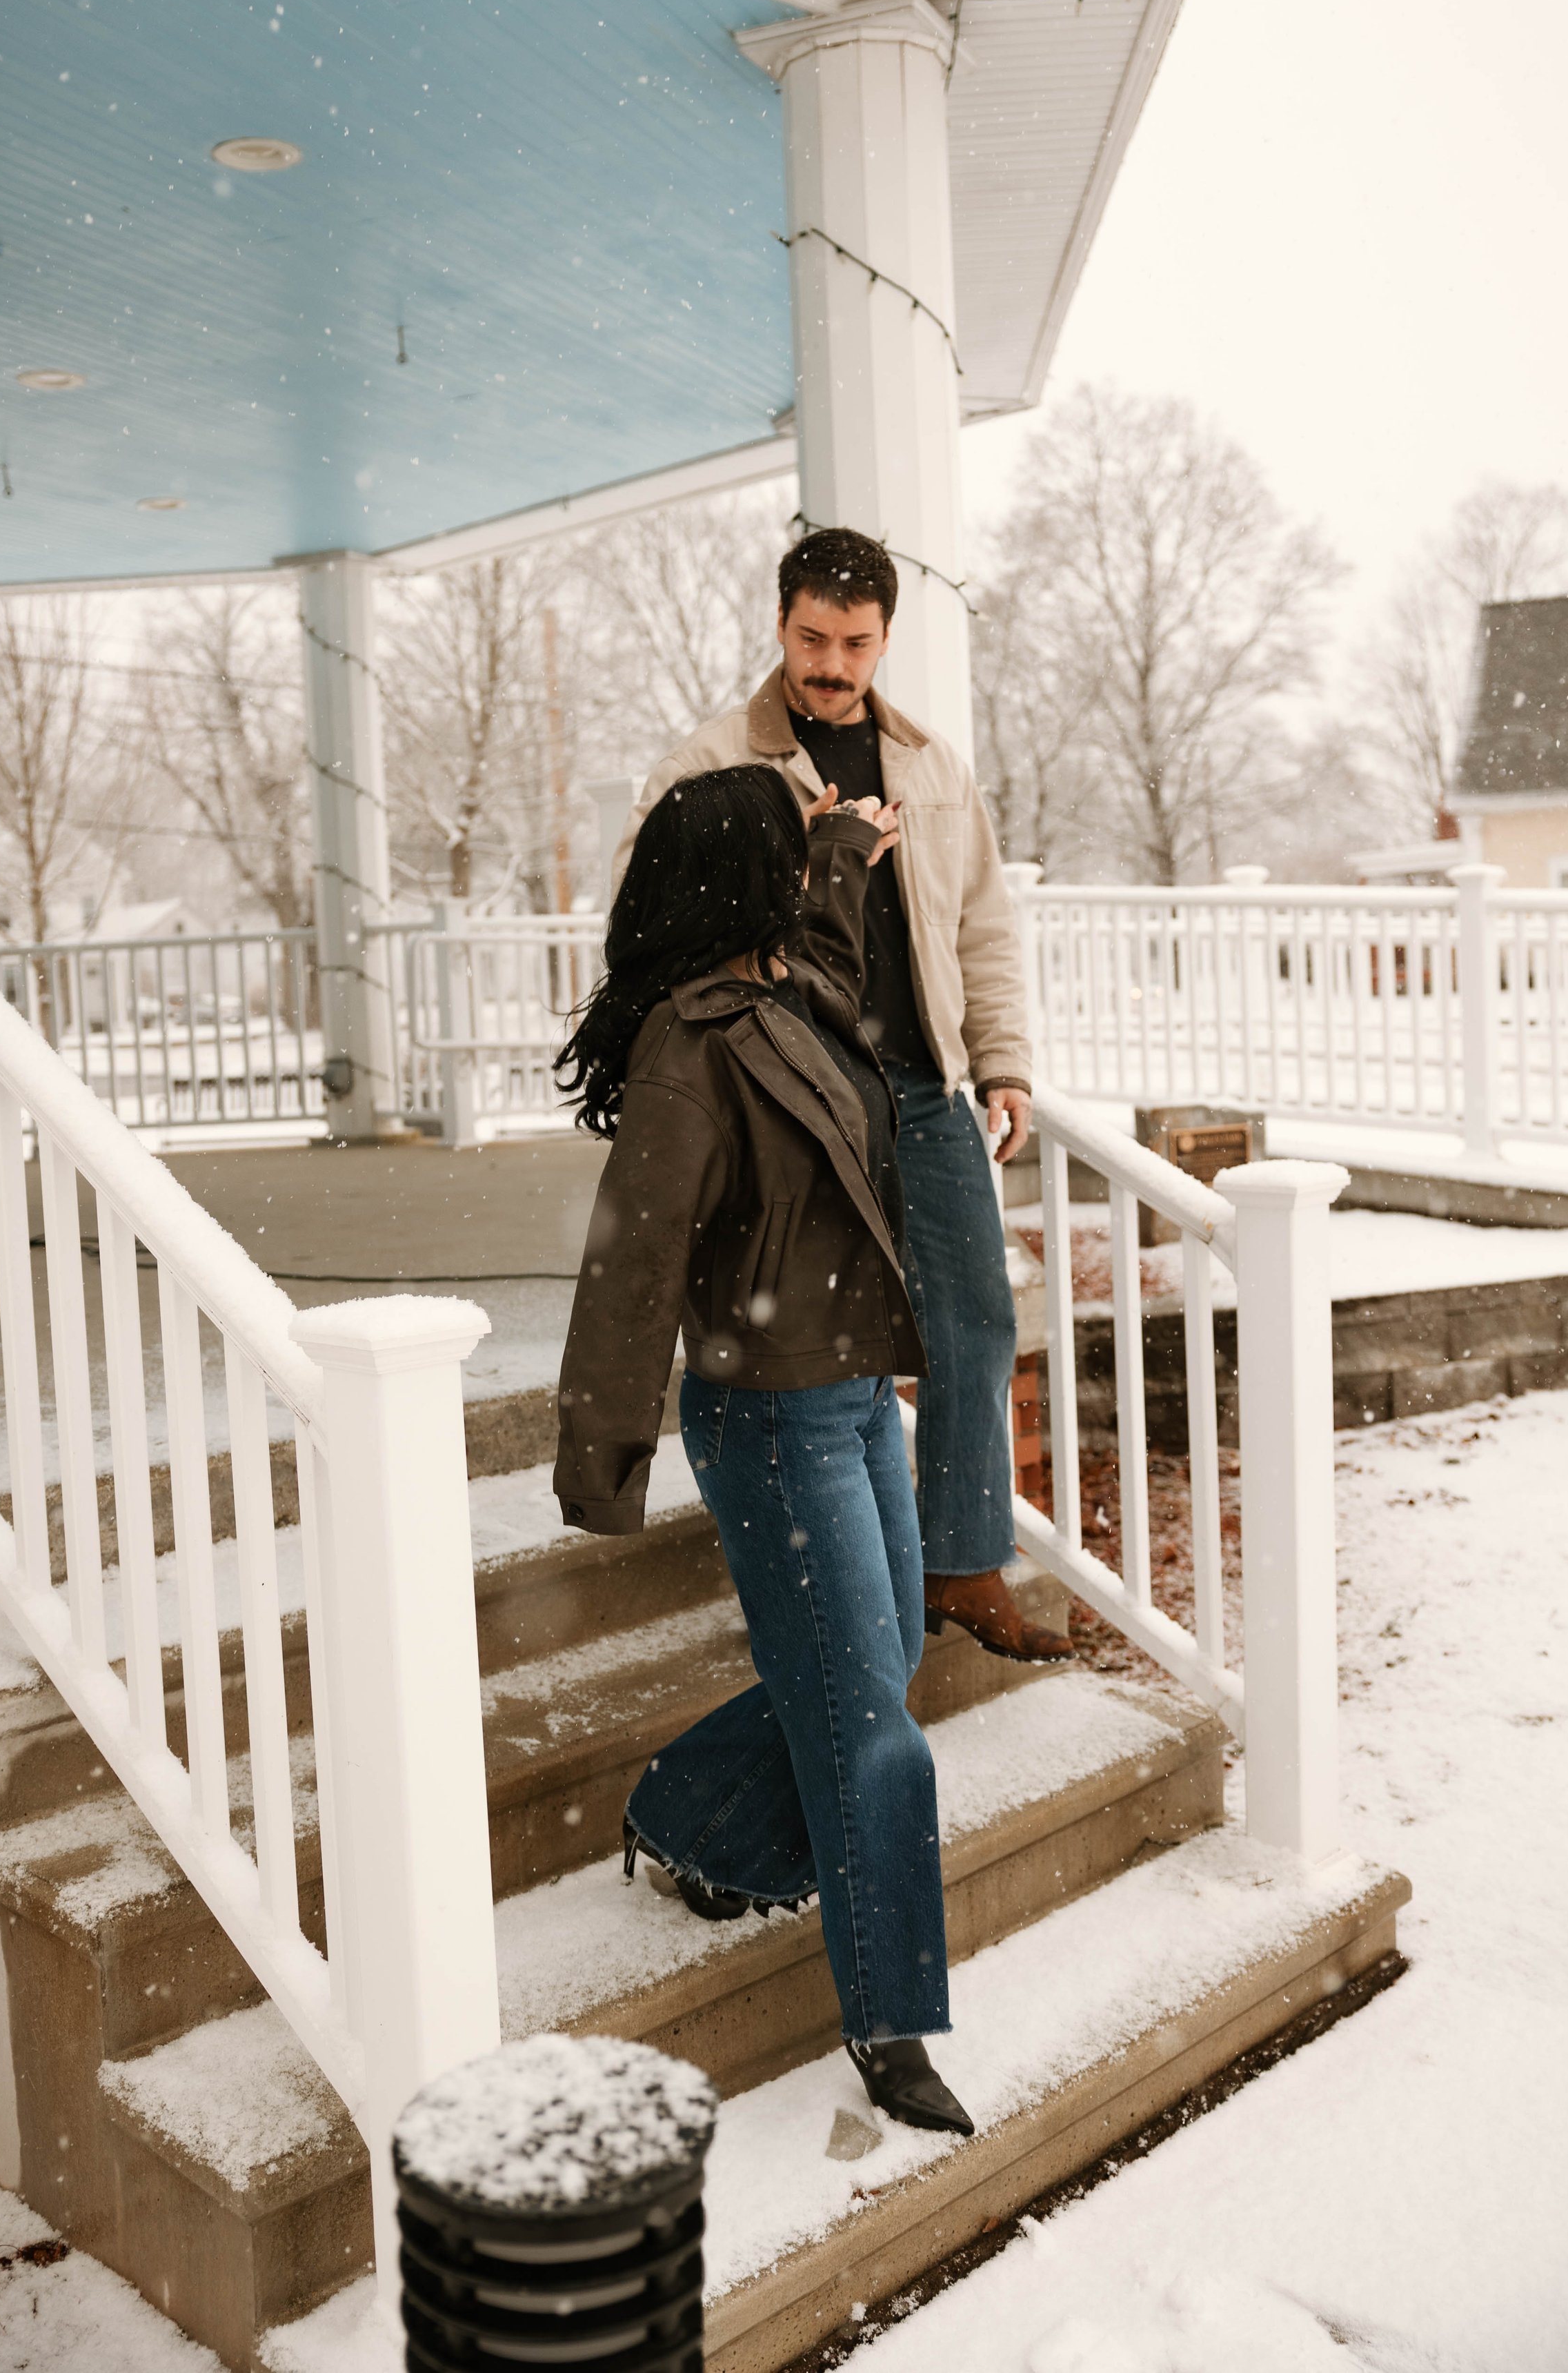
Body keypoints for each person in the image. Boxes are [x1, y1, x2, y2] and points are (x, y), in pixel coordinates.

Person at [553, 764, 973, 2136]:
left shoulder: (785, 988)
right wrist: (600, 1444)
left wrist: (847, 844)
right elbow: (630, 1269)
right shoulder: (692, 1048)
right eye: (792, 848)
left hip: (851, 1392)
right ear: (743, 872)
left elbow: (836, 944)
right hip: (771, 1416)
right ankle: (894, 2026)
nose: (809, 870)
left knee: (885, 1651)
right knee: (872, 1733)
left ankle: (690, 1815)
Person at [612, 525, 1068, 1666]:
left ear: (884, 640)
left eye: (856, 642)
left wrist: (1002, 1060)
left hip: (919, 1086)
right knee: (811, 1350)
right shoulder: (714, 763)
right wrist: (803, 866)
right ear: (780, 624)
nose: (833, 663)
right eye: (813, 637)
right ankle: (838, 1590)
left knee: (973, 1319)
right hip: (789, 1105)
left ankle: (962, 1565)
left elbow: (983, 922)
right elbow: (653, 929)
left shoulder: (929, 762)